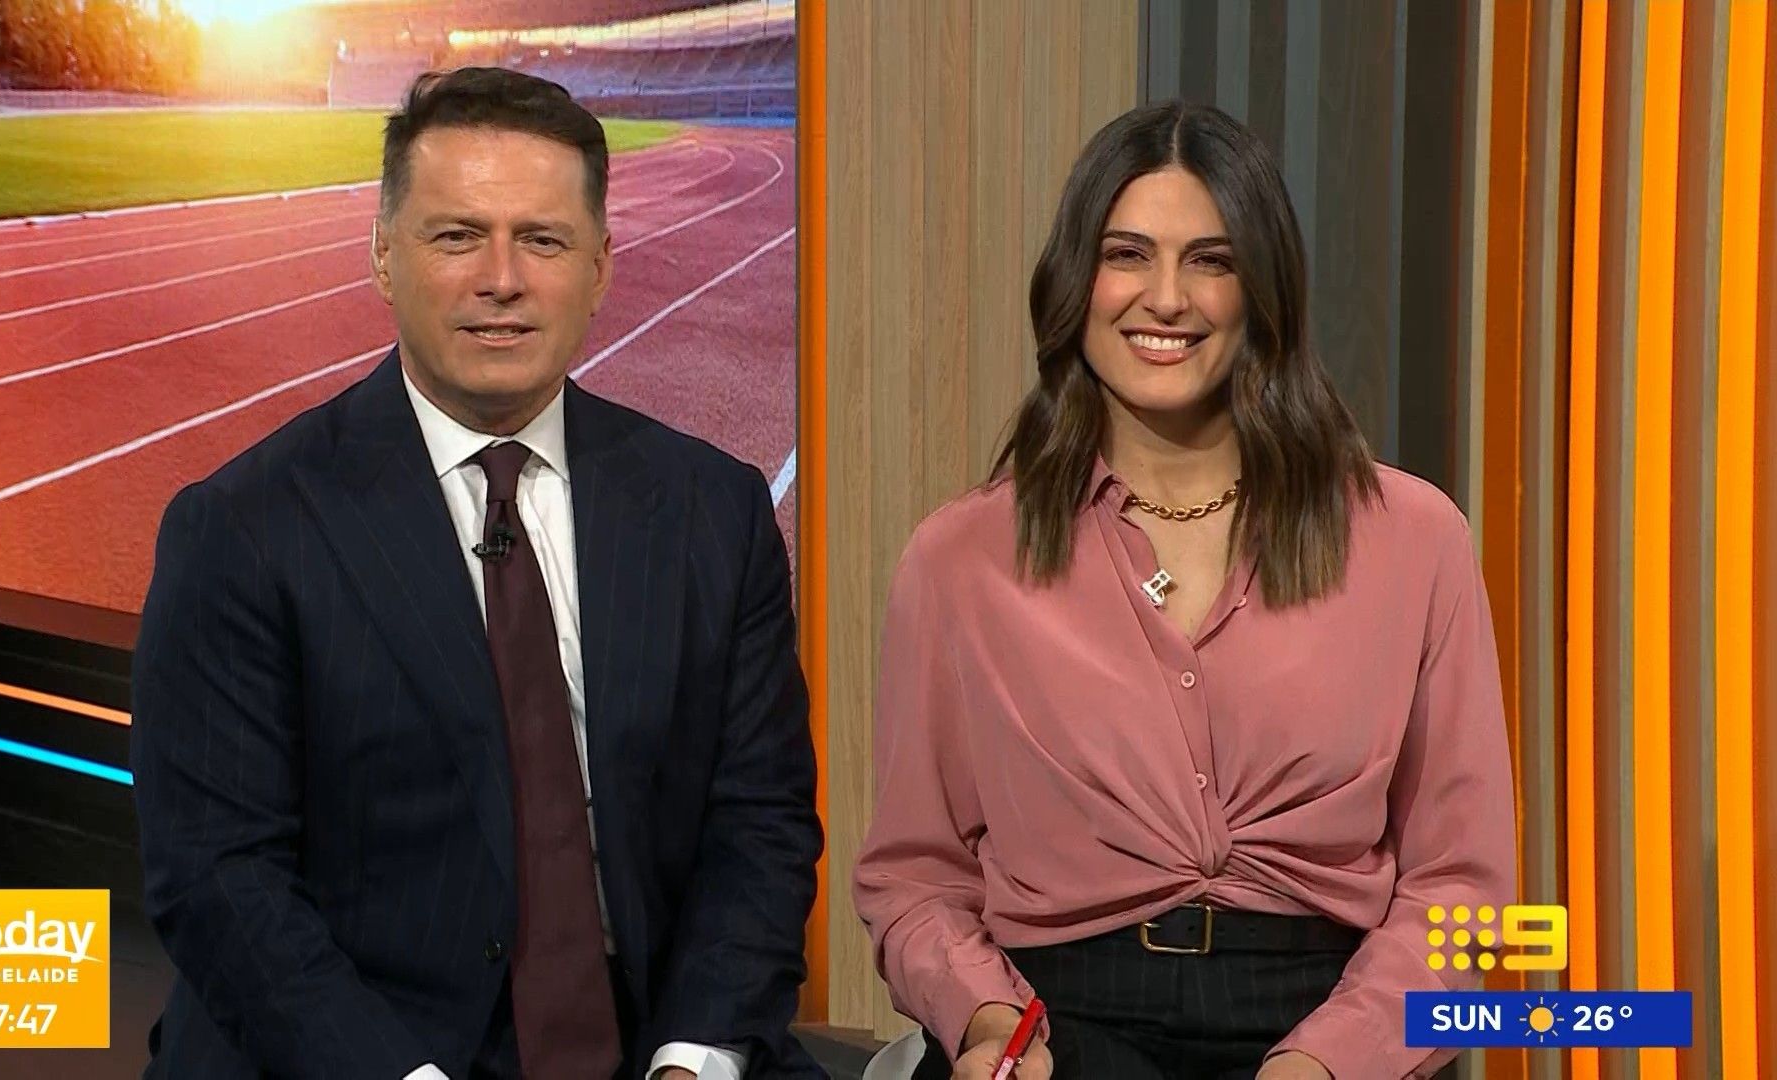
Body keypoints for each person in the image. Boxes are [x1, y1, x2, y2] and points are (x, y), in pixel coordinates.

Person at [132, 67, 823, 1080]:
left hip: (645, 1039)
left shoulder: (711, 512)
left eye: (542, 240)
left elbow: (760, 825)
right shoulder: (241, 529)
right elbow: (219, 880)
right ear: (382, 255)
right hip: (356, 1051)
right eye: (457, 236)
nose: (502, 279)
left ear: (600, 266)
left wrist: (690, 1058)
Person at [852, 100, 1516, 1080]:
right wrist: (990, 1023)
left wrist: (1330, 1063)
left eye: (1211, 260)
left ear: (1265, 290)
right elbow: (915, 877)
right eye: (1127, 255)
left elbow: (1462, 890)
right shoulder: (959, 560)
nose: (1166, 298)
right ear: (1075, 282)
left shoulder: (1414, 542)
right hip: (1056, 1030)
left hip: (1333, 1023)